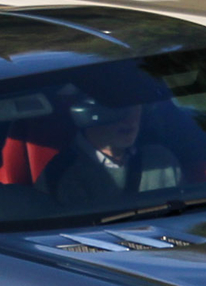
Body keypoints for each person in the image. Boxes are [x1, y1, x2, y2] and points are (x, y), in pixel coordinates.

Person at [42, 88, 182, 208]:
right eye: (118, 107)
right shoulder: (61, 175)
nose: (131, 119)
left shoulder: (161, 160)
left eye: (136, 106)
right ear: (86, 112)